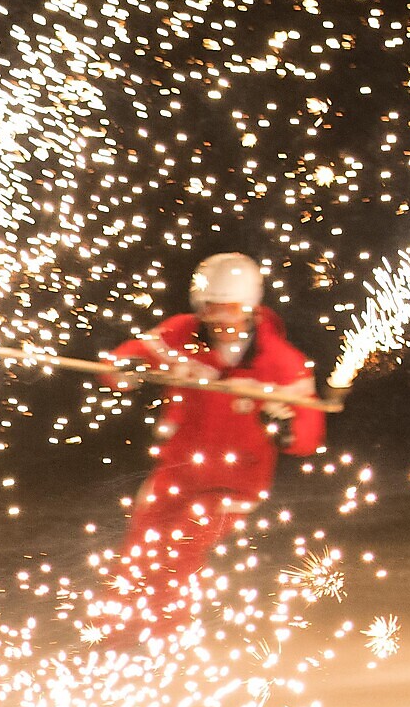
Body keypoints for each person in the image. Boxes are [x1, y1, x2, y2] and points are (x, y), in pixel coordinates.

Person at [96, 252, 326, 633]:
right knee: (136, 557)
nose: (220, 322)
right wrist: (126, 370)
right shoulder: (181, 335)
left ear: (251, 309)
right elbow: (127, 361)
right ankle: (113, 641)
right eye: (211, 310)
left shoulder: (281, 364)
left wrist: (284, 427)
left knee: (179, 551)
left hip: (234, 485)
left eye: (231, 310)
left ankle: (163, 642)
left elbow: (306, 435)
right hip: (176, 473)